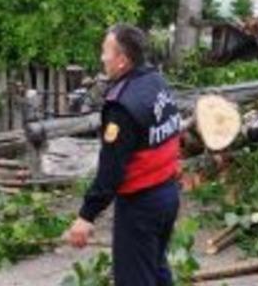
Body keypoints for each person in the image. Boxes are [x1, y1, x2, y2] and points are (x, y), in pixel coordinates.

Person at [65, 24, 181, 286]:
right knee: (157, 270)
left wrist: (86, 215)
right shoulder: (156, 82)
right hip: (168, 196)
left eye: (106, 51)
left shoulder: (122, 106)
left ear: (122, 60)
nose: (102, 57)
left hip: (141, 206)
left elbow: (111, 171)